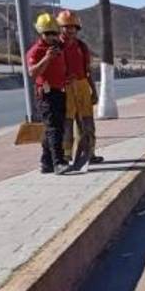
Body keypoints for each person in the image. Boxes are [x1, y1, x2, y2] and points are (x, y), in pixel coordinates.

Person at [57, 9, 103, 169]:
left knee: (87, 123)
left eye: (73, 27)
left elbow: (88, 70)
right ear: (60, 28)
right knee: (67, 123)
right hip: (66, 88)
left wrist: (94, 91)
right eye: (66, 27)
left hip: (83, 86)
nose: (70, 30)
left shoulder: (81, 47)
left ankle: (89, 153)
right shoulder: (56, 47)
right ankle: (66, 155)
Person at [26, 13, 70, 174]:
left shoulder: (58, 48)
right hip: (47, 94)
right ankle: (58, 162)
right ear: (41, 33)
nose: (52, 37)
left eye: (54, 33)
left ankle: (46, 162)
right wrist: (46, 58)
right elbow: (32, 72)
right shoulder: (36, 51)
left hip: (60, 91)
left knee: (54, 127)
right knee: (54, 129)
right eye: (48, 34)